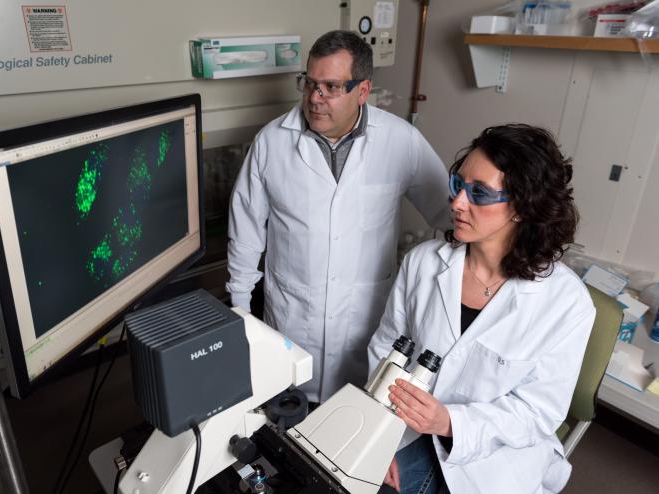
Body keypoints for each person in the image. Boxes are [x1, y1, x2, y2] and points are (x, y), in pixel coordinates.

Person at [368, 124, 596, 493]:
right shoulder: (424, 263)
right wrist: (378, 438)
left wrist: (448, 422)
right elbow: (386, 348)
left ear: (522, 206)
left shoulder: (565, 304)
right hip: (406, 432)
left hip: (494, 462)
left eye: (479, 194)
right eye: (458, 185)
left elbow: (537, 413)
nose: (457, 202)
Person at [226, 30, 451, 404]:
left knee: (355, 417)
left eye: (330, 87)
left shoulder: (401, 140)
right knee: (287, 417)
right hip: (291, 317)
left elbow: (449, 215)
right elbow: (246, 231)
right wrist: (240, 311)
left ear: (362, 91)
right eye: (310, 84)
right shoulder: (272, 141)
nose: (315, 98)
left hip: (366, 320)